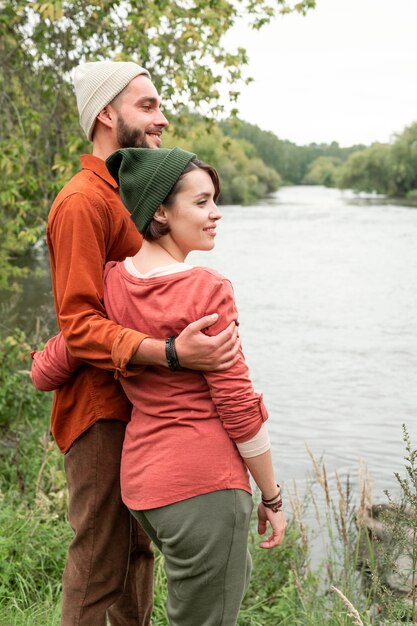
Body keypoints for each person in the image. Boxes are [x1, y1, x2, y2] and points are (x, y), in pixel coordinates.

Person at [32, 146, 287, 626]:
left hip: (144, 490)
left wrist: (41, 362)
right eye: (202, 202)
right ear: (161, 213)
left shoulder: (110, 284)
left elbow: (49, 368)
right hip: (205, 489)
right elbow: (236, 405)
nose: (216, 214)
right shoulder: (207, 290)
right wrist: (271, 496)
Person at [45, 60, 240, 626]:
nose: (162, 118)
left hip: (140, 407)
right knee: (100, 563)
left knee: (136, 557)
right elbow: (78, 324)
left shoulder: (129, 194)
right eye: (147, 106)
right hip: (99, 409)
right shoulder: (83, 201)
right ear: (106, 114)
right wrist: (173, 353)